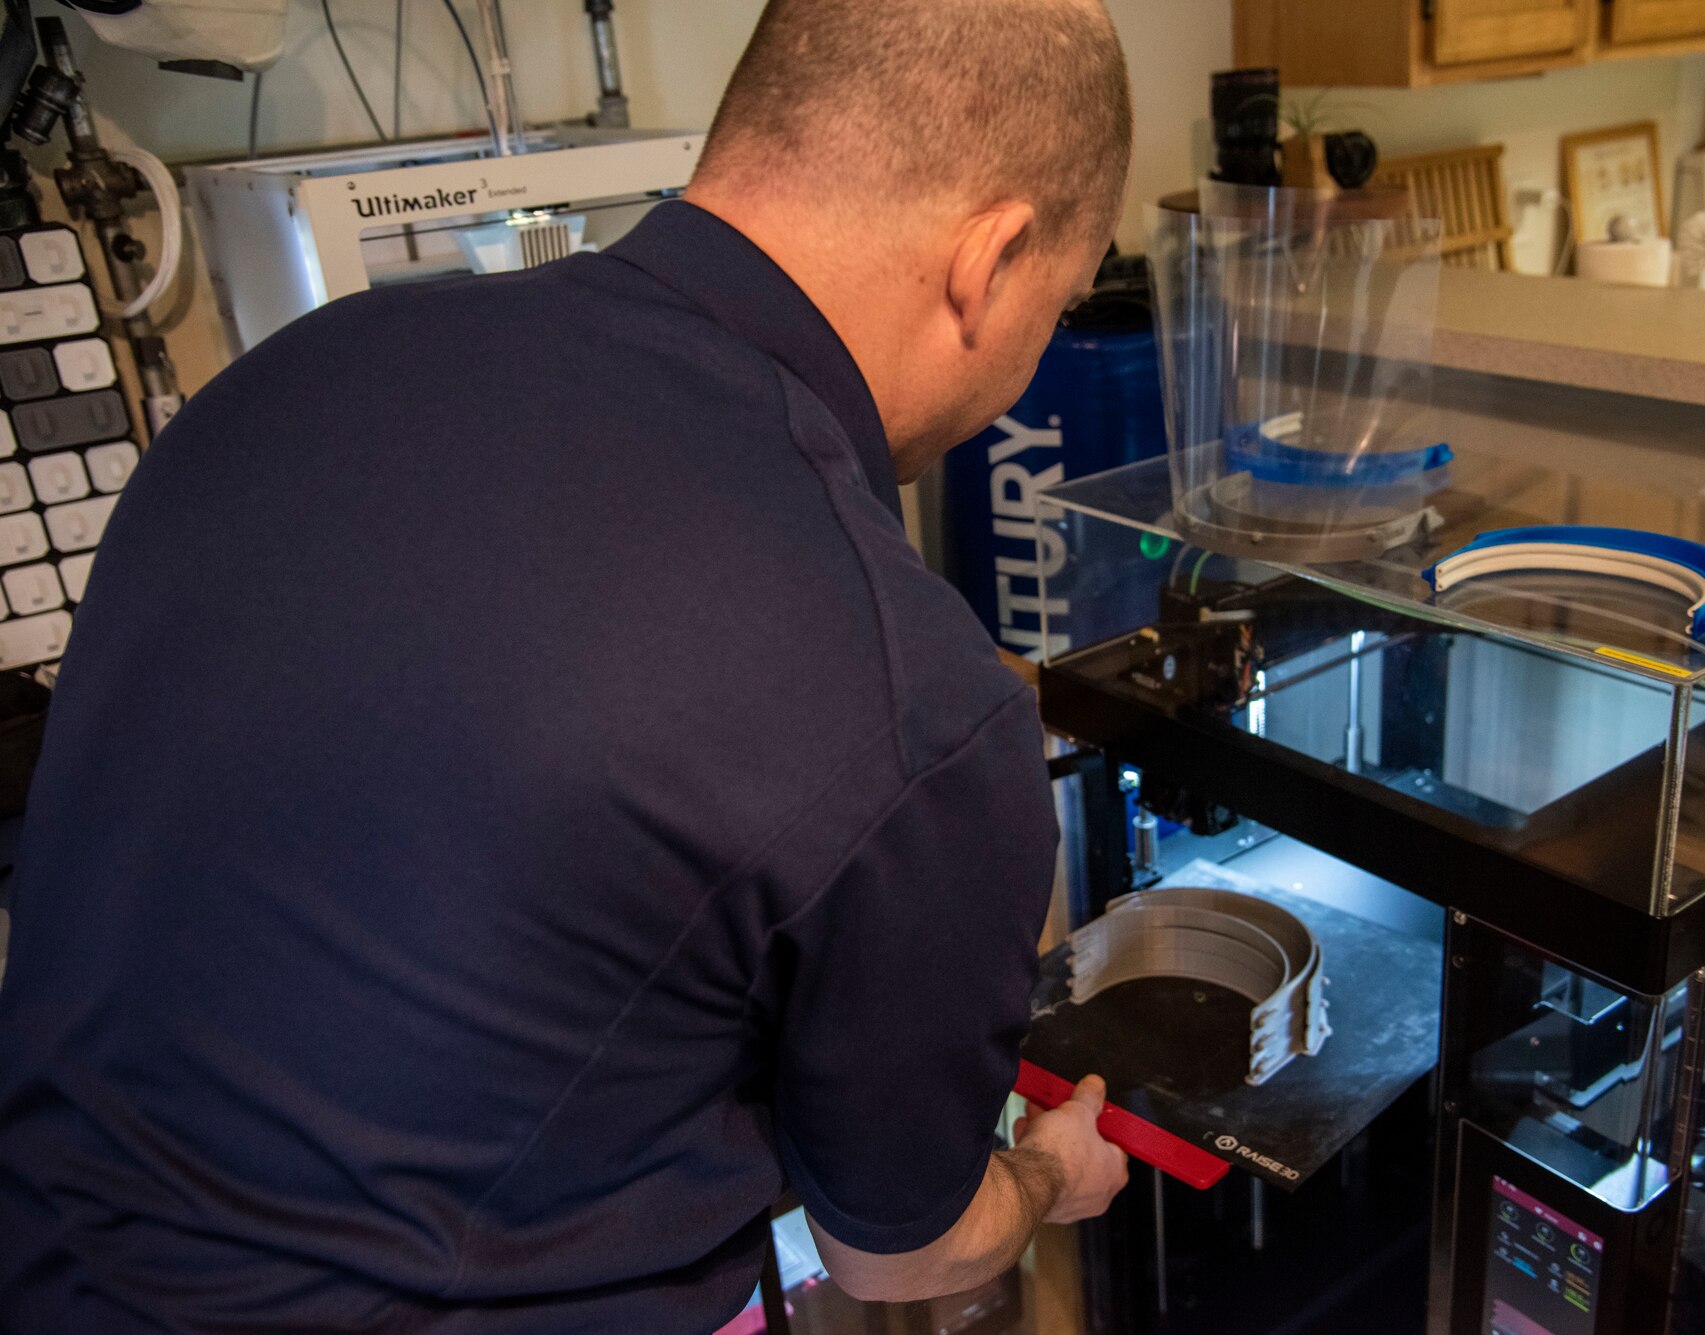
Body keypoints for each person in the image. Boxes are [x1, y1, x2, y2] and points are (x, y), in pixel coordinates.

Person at [0, 0, 1133, 1328]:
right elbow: (897, 1250)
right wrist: (1044, 1176)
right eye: (1055, 308)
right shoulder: (911, 693)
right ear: (991, 259)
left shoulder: (283, 386)